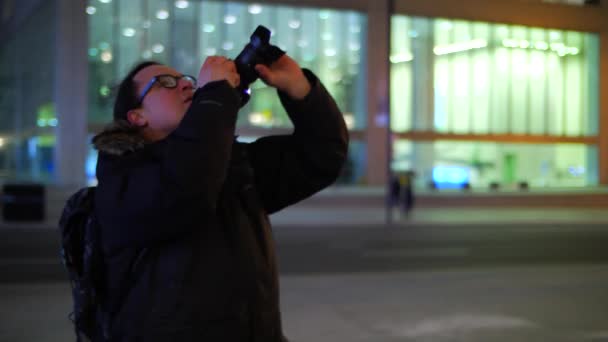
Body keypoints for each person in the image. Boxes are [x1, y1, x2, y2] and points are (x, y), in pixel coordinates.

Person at [91, 54, 348, 341]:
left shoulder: (232, 167)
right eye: (164, 83)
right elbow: (186, 189)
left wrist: (300, 88)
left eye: (186, 80)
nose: (186, 86)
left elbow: (323, 156)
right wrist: (214, 97)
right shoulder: (123, 179)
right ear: (137, 116)